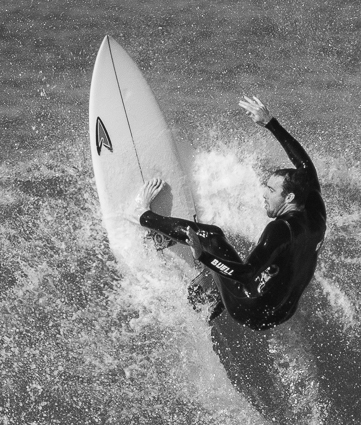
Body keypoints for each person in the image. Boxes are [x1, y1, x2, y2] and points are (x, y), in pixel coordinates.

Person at [139, 95, 326, 330]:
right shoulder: (316, 209)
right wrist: (269, 122)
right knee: (246, 271)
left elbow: (246, 274)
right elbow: (305, 165)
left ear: (289, 198)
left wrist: (202, 255)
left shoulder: (280, 229)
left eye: (270, 189)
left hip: (250, 311)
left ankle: (144, 216)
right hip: (282, 313)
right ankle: (214, 297)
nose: (264, 193)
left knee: (213, 238)